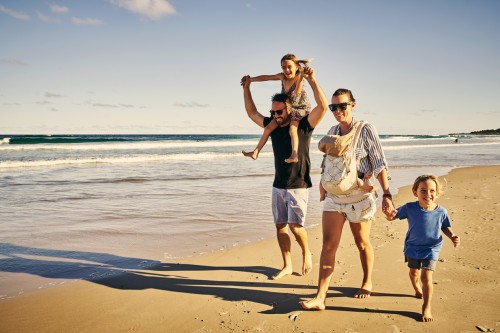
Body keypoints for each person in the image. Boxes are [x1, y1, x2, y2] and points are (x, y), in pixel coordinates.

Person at [300, 88, 394, 310]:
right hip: (334, 197)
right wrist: (322, 186)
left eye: (342, 106)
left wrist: (387, 194)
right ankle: (320, 297)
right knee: (328, 246)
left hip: (359, 197)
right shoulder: (333, 129)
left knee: (362, 243)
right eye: (333, 107)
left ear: (353, 105)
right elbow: (329, 163)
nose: (337, 111)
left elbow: (379, 162)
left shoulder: (365, 129)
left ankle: (367, 281)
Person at [241, 65, 328, 279]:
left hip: (298, 184)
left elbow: (323, 107)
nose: (275, 115)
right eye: (272, 112)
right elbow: (252, 112)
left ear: (290, 109)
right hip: (278, 184)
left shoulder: (304, 126)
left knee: (296, 226)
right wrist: (247, 87)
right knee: (280, 226)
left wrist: (313, 80)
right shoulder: (273, 125)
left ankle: (306, 253)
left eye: (279, 112)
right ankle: (287, 265)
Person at [386, 174, 460, 322]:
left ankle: (426, 307)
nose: (428, 194)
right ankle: (416, 288)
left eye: (432, 191)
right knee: (414, 274)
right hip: (412, 246)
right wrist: (389, 214)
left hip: (432, 248)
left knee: (427, 277)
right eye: (423, 190)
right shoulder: (409, 208)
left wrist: (452, 236)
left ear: (437, 193)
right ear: (415, 192)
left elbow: (445, 226)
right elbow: (392, 216)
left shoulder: (441, 211)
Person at [242, 54, 311, 163]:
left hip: (298, 108)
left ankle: (294, 154)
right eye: (283, 67)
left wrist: (302, 75)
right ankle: (256, 152)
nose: (286, 70)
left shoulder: (298, 78)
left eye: (289, 67)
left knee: (292, 128)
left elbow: (296, 94)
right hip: (286, 109)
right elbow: (266, 77)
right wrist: (251, 80)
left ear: (296, 67)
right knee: (268, 128)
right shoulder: (282, 77)